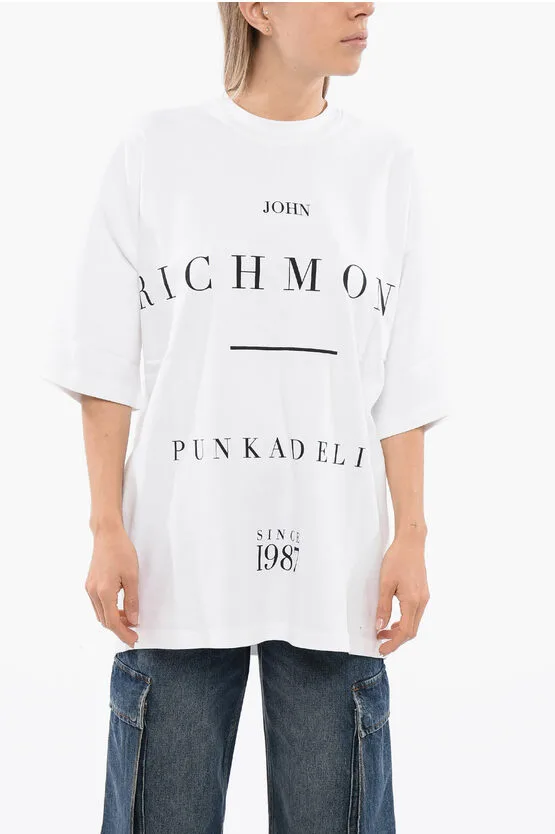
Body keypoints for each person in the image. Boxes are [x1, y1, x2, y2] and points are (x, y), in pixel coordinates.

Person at [41, 3, 449, 832]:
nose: (365, 6)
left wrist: (410, 534)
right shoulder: (158, 150)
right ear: (257, 9)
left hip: (337, 563)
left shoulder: (385, 165)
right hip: (177, 558)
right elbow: (103, 359)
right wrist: (105, 526)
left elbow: (401, 378)